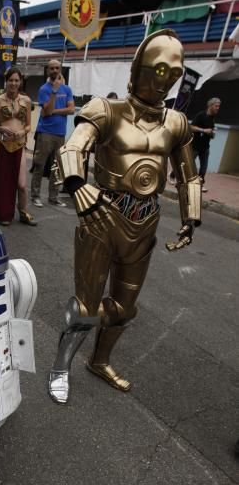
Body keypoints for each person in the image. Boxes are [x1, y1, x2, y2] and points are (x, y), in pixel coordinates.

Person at [48, 29, 202, 405]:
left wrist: (191, 216)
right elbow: (73, 148)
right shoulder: (107, 110)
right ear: (139, 70)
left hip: (145, 221)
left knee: (124, 308)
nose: (164, 81)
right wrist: (75, 183)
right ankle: (61, 367)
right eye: (158, 70)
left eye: (174, 74)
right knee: (87, 307)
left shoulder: (177, 123)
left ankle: (100, 361)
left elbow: (188, 174)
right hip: (102, 216)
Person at [0, 66, 36, 226]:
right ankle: (2, 214)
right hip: (1, 144)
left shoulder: (26, 101)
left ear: (20, 82)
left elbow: (28, 125)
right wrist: (1, 128)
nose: (13, 83)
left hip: (19, 144)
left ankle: (23, 212)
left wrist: (22, 132)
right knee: (1, 181)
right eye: (11, 80)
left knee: (21, 184)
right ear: (6, 81)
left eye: (16, 80)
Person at [31, 59, 75, 208]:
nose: (55, 70)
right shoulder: (44, 89)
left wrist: (54, 111)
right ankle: (35, 196)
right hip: (45, 132)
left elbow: (71, 110)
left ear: (60, 69)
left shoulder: (67, 89)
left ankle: (53, 197)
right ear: (47, 71)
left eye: (57, 68)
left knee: (57, 167)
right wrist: (54, 91)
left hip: (60, 133)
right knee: (40, 165)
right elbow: (46, 111)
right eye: (52, 68)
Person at [190, 98, 221, 192]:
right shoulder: (201, 115)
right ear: (210, 106)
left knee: (203, 168)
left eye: (219, 106)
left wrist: (212, 133)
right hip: (195, 146)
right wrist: (203, 130)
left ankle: (200, 184)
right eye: (216, 106)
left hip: (205, 147)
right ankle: (174, 174)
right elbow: (191, 127)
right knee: (189, 164)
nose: (218, 108)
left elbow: (211, 134)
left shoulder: (212, 119)